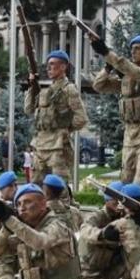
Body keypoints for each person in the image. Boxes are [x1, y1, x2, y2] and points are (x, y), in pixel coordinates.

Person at [91, 33, 140, 189]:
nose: (133, 52)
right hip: (131, 132)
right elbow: (98, 85)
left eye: (137, 49)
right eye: (132, 49)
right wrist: (108, 67)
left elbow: (136, 72)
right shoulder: (128, 77)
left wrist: (107, 53)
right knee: (126, 179)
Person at [24, 50, 89, 183]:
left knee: (58, 189)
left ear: (63, 66)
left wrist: (64, 129)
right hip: (40, 145)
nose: (49, 68)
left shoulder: (68, 89)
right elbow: (28, 109)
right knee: (36, 186)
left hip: (58, 146)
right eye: (48, 64)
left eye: (53, 64)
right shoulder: (45, 91)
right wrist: (31, 87)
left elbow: (81, 118)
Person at [78, 180, 128, 279]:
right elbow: (85, 229)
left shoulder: (125, 217)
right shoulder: (97, 216)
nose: (118, 203)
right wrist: (102, 234)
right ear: (107, 200)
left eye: (121, 199)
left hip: (108, 269)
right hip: (88, 273)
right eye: (114, 199)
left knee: (135, 264)